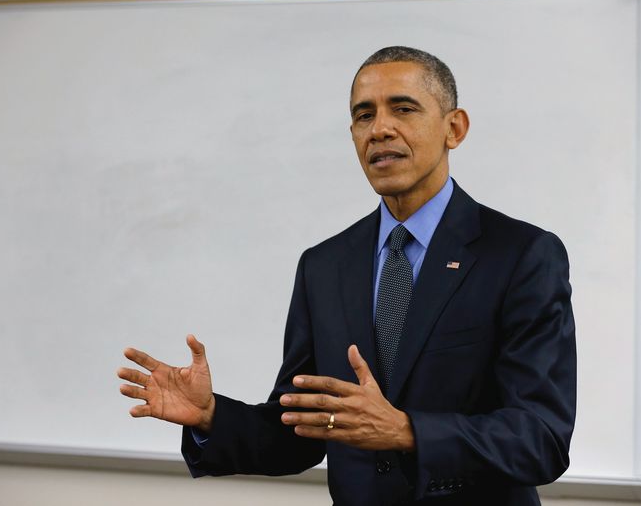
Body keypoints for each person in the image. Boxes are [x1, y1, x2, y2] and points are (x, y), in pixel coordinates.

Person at [117, 46, 576, 505]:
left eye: (403, 108)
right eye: (363, 115)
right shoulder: (325, 265)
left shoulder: (521, 255)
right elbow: (299, 431)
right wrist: (211, 416)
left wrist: (407, 431)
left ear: (454, 128)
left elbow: (541, 438)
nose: (380, 129)